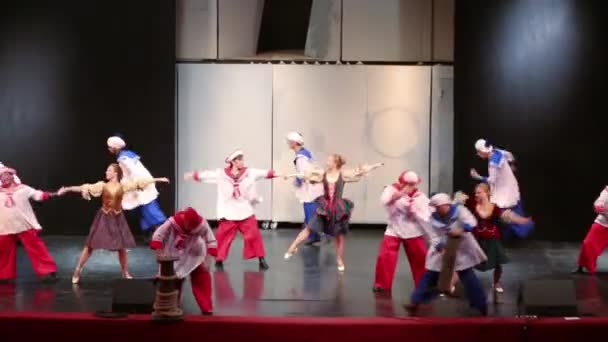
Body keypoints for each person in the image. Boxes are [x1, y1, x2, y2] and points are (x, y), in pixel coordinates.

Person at [58, 163, 169, 284]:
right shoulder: (102, 185)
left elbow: (140, 182)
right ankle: (77, 270)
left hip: (117, 218)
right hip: (104, 218)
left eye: (109, 170)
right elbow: (84, 187)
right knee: (90, 245)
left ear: (115, 173)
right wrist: (68, 189)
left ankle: (125, 272)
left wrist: (157, 179)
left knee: (121, 248)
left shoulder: (123, 186)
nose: (106, 172)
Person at [184, 149, 283, 271]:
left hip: (245, 211)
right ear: (233, 162)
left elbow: (263, 173)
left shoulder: (249, 173)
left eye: (242, 159)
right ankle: (219, 260)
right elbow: (208, 175)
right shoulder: (221, 175)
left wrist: (276, 174)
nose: (242, 162)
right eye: (240, 159)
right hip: (228, 212)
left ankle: (261, 259)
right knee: (222, 237)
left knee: (254, 236)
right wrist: (194, 175)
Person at [283, 154, 383, 272]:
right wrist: (290, 176)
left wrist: (373, 166)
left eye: (329, 160)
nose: (327, 162)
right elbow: (304, 174)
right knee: (309, 227)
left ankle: (339, 259)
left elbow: (359, 172)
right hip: (324, 208)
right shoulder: (322, 174)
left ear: (335, 163)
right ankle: (292, 247)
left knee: (339, 236)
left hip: (337, 208)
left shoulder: (343, 175)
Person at [405, 193, 488, 316]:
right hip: (442, 249)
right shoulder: (432, 217)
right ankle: (415, 301)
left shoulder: (460, 210)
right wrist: (440, 247)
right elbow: (432, 236)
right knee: (430, 275)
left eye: (441, 206)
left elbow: (472, 222)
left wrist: (461, 230)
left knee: (468, 276)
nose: (439, 209)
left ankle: (481, 305)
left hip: (461, 248)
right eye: (436, 207)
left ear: (447, 204)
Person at [458, 183, 531, 294]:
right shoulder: (472, 204)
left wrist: (520, 220)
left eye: (479, 192)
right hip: (477, 238)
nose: (476, 194)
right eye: (475, 192)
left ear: (487, 193)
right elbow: (459, 203)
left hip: (492, 238)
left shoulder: (494, 206)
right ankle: (467, 283)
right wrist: (459, 198)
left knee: (497, 263)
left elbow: (506, 215)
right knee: (469, 263)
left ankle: (496, 283)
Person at [150, 207, 217, 315]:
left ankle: (207, 307)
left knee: (202, 278)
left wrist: (207, 260)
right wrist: (159, 254)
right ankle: (171, 306)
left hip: (195, 253)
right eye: (189, 225)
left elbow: (211, 240)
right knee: (172, 280)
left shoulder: (202, 224)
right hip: (174, 252)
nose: (190, 228)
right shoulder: (172, 222)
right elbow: (158, 234)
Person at [373, 171, 430, 293]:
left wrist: (415, 212)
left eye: (413, 184)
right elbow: (384, 201)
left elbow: (426, 216)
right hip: (394, 228)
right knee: (385, 256)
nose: (410, 186)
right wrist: (396, 196)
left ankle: (424, 285)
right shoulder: (391, 189)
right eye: (407, 183)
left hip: (413, 229)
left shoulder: (420, 197)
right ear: (402, 182)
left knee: (420, 257)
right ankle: (381, 284)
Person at [0, 165, 57, 281]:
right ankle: (3, 275)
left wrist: (55, 194)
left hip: (23, 225)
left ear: (12, 177)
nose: (4, 178)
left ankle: (47, 271)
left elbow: (39, 195)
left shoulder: (23, 189)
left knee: (36, 248)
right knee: (3, 251)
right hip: (4, 227)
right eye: (2, 176)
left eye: (6, 176)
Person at [470, 139, 534, 238]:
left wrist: (478, 177)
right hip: (508, 185)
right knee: (506, 210)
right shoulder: (497, 151)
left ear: (483, 151)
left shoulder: (493, 163)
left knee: (501, 212)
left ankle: (521, 228)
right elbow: (509, 155)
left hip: (504, 189)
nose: (478, 154)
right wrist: (511, 164)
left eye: (478, 152)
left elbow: (492, 180)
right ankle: (509, 234)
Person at [107, 135, 167, 240]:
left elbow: (136, 172)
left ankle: (165, 234)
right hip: (139, 185)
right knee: (143, 209)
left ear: (115, 148)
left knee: (150, 209)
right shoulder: (125, 156)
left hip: (142, 186)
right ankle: (150, 234)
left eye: (110, 147)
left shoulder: (124, 158)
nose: (109, 149)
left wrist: (139, 185)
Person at [286, 132, 325, 245]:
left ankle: (315, 235)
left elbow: (303, 174)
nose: (288, 143)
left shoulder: (301, 157)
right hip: (313, 187)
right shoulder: (306, 153)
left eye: (289, 141)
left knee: (310, 211)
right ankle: (314, 234)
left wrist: (296, 182)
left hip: (310, 189)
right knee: (312, 212)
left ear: (294, 142)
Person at [573, 185, 608, 274]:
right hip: (603, 223)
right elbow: (599, 203)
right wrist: (601, 207)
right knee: (587, 243)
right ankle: (581, 266)